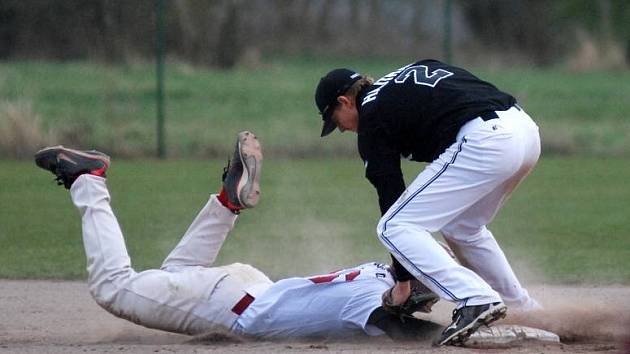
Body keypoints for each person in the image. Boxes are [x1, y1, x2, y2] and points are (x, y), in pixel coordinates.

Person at [34, 131, 442, 341]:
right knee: (113, 288)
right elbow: (416, 332)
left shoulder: (379, 273)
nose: (431, 300)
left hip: (250, 288)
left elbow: (402, 300)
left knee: (178, 274)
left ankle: (227, 205)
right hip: (234, 306)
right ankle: (87, 181)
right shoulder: (373, 305)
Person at [314, 60, 542, 346]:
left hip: (487, 140)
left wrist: (402, 283)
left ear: (344, 101)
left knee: (392, 227)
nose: (343, 130)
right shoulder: (399, 81)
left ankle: (476, 298)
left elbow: (390, 194)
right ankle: (521, 309)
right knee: (463, 227)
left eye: (335, 121)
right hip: (525, 131)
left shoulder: (371, 115)